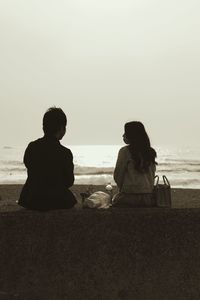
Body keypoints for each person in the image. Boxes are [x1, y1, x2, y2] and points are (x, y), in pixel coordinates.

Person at [18, 107, 77, 211]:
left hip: (31, 199)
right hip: (56, 200)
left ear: (44, 127)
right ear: (62, 128)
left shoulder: (32, 147)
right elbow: (69, 181)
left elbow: (29, 166)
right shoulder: (65, 153)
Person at [113, 121, 157, 207]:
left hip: (129, 197)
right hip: (148, 198)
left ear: (132, 135)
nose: (123, 135)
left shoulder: (125, 151)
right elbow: (152, 175)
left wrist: (122, 189)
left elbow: (118, 175)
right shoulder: (150, 152)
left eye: (125, 133)